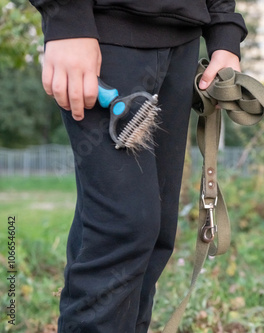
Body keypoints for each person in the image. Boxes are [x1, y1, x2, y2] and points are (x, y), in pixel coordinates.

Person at [28, 1, 247, 332]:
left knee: (155, 233)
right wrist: (67, 17)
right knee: (123, 227)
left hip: (183, 41)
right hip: (100, 34)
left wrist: (224, 31)